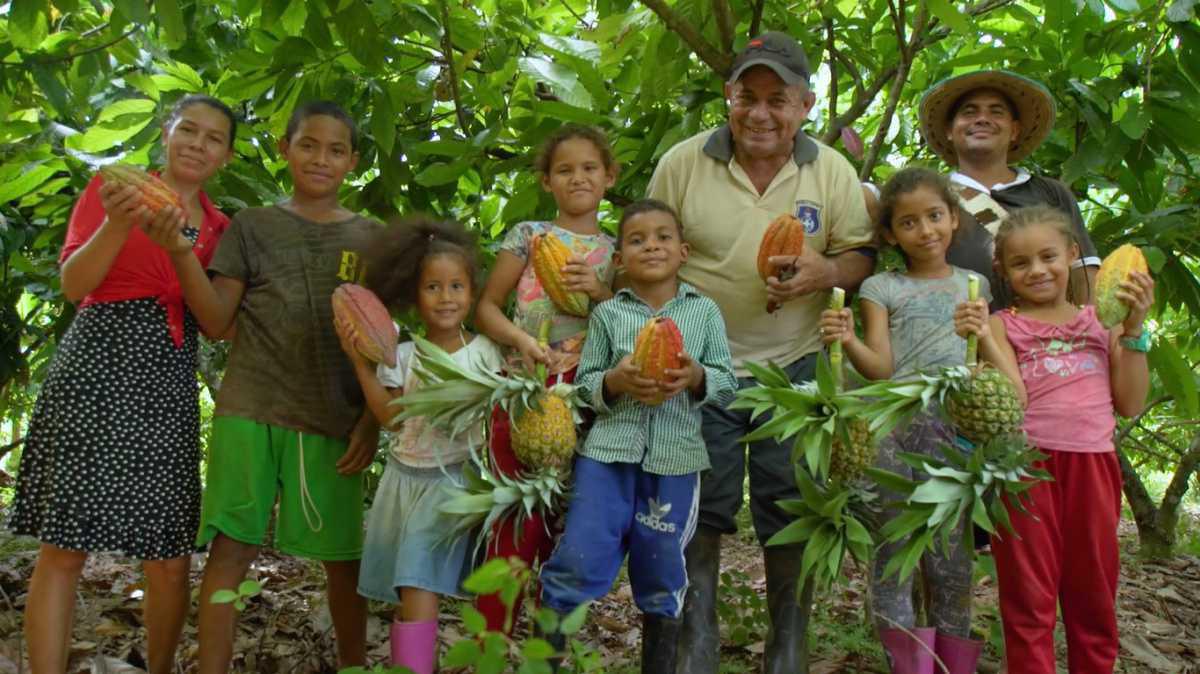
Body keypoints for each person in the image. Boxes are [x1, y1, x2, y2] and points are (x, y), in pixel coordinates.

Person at [647, 32, 874, 673]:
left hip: (794, 367)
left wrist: (822, 271)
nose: (762, 113)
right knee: (700, 511)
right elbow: (649, 246)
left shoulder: (829, 170)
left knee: (791, 510)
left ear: (805, 104)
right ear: (729, 97)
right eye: (748, 96)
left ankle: (788, 650)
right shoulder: (684, 163)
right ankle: (696, 648)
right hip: (700, 368)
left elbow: (862, 255)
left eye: (779, 99)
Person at [141, 100, 381, 673]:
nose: (320, 159)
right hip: (250, 407)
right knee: (230, 553)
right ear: (285, 149)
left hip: (335, 420)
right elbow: (220, 322)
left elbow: (384, 344)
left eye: (336, 149)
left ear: (352, 161)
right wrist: (180, 253)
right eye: (308, 145)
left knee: (345, 564)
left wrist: (372, 420)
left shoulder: (372, 238)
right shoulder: (253, 224)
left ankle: (355, 666)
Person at [12, 94, 237, 674]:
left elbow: (217, 323)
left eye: (213, 138)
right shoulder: (111, 191)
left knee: (166, 553)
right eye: (188, 129)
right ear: (166, 133)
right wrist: (118, 222)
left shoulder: (221, 229)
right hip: (95, 364)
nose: (197, 143)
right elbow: (73, 283)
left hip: (166, 376)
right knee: (63, 546)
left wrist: (181, 249)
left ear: (227, 157)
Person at [819, 167, 1023, 673]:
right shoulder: (880, 287)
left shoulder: (974, 284)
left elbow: (985, 370)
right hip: (894, 427)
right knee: (895, 549)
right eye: (908, 222)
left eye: (935, 216)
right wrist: (846, 339)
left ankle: (954, 664)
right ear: (890, 234)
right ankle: (907, 664)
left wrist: (986, 335)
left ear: (954, 219)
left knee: (952, 558)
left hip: (954, 430)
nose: (926, 230)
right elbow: (882, 368)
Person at [539, 199, 737, 673]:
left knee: (662, 567)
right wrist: (615, 381)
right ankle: (542, 660)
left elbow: (727, 383)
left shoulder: (704, 312)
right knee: (579, 556)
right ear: (620, 260)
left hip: (674, 461)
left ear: (683, 251)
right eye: (637, 239)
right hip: (607, 456)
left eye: (663, 237)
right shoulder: (609, 315)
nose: (652, 245)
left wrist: (695, 377)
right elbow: (584, 386)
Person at [961, 205, 1152, 673]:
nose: (1038, 270)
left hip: (1092, 468)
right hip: (1024, 470)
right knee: (1027, 599)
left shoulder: (1101, 324)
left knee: (1093, 593)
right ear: (1001, 270)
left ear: (1071, 255)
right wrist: (984, 337)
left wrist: (1135, 329)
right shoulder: (1004, 324)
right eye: (1021, 263)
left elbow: (1129, 403)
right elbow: (1017, 401)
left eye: (1049, 257)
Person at [338, 217, 503, 674]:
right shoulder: (402, 354)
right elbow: (391, 420)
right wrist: (362, 368)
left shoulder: (486, 352)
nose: (446, 297)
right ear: (414, 294)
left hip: (451, 482)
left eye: (456, 286)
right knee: (403, 593)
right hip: (402, 481)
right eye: (433, 287)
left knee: (416, 583)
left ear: (472, 292)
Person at [473, 124, 619, 631]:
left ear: (608, 177)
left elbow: (628, 322)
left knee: (569, 507)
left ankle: (554, 626)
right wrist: (520, 340)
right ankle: (494, 626)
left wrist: (600, 291)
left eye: (589, 168)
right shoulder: (529, 235)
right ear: (546, 181)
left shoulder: (618, 249)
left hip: (586, 387)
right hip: (524, 381)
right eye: (564, 169)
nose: (577, 177)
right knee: (516, 501)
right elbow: (487, 307)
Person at [919, 70, 1101, 308]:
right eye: (969, 112)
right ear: (949, 130)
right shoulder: (930, 196)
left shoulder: (1051, 193)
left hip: (1046, 341)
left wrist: (1091, 333)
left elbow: (1084, 275)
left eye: (996, 112)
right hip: (955, 339)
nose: (982, 119)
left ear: (1014, 130)